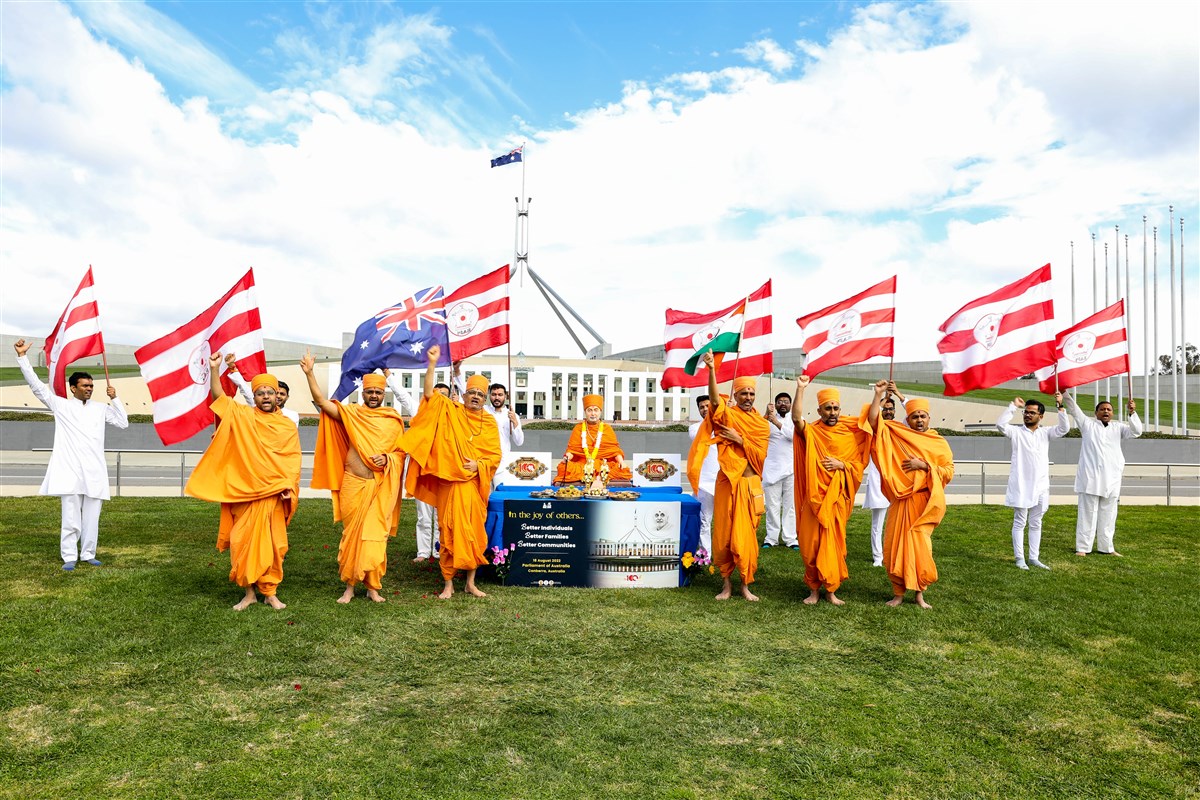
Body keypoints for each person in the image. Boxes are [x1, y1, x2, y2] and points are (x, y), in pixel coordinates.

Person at [186, 353, 301, 611]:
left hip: (273, 495)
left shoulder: (286, 426)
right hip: (245, 493)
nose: (266, 397)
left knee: (274, 546)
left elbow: (292, 461)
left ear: (277, 395)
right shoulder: (243, 416)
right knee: (241, 543)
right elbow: (220, 399)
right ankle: (249, 592)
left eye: (270, 392)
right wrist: (215, 370)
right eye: (260, 393)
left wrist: (288, 487)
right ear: (255, 397)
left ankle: (270, 592)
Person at [13, 338, 128, 570]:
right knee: (70, 517)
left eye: (91, 386)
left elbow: (123, 422)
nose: (89, 389)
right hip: (70, 470)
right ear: (73, 388)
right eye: (85, 385)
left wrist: (115, 399)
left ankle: (88, 554)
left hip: (94, 470)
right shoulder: (61, 406)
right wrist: (22, 358)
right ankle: (69, 557)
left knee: (92, 517)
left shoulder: (100, 408)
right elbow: (37, 388)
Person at [305, 357, 406, 603]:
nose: (373, 395)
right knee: (351, 535)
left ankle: (373, 587)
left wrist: (388, 458)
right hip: (353, 484)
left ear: (384, 394)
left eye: (378, 392)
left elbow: (401, 453)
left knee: (374, 537)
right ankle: (349, 586)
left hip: (380, 486)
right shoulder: (351, 414)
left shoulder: (393, 419)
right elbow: (321, 403)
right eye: (369, 391)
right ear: (362, 392)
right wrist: (309, 373)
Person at [405, 345, 501, 599]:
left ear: (486, 398)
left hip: (473, 486)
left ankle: (470, 583)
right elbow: (428, 395)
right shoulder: (451, 410)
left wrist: (479, 465)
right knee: (447, 531)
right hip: (449, 483)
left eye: (481, 394)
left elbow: (495, 456)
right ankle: (448, 583)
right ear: (464, 394)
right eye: (471, 392)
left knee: (473, 534)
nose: (476, 397)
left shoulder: (490, 422)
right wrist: (433, 363)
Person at [867, 381, 954, 609]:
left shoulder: (938, 442)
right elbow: (874, 422)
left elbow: (948, 471)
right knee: (895, 546)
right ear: (909, 419)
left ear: (929, 418)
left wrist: (924, 466)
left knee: (920, 548)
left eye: (922, 416)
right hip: (901, 499)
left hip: (923, 503)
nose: (919, 420)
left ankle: (918, 594)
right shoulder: (898, 433)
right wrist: (878, 395)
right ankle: (897, 593)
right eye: (914, 416)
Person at [692, 352, 769, 601]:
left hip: (749, 484)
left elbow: (760, 455)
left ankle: (746, 584)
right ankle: (726, 585)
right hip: (726, 482)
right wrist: (712, 369)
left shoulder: (761, 424)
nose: (747, 397)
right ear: (735, 395)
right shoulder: (728, 415)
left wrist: (740, 439)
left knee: (746, 537)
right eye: (743, 393)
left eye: (751, 393)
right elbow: (714, 401)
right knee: (723, 534)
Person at [792, 380, 871, 605]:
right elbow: (797, 419)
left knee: (834, 545)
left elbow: (858, 464)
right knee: (810, 547)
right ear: (819, 411)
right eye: (828, 408)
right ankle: (813, 590)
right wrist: (800, 389)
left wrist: (842, 465)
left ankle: (831, 590)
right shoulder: (813, 432)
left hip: (836, 500)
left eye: (835, 407)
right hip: (813, 499)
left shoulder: (849, 432)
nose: (833, 412)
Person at [1064, 393, 1141, 557]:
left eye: (1109, 409)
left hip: (1112, 478)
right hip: (1090, 478)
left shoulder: (1119, 428)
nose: (1106, 411)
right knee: (1087, 514)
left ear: (1112, 413)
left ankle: (1107, 547)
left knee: (1109, 514)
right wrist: (1064, 393)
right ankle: (1083, 548)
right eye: (1102, 409)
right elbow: (1074, 409)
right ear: (1096, 412)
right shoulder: (1087, 425)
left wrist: (1132, 413)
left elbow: (1137, 431)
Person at [997, 394, 1069, 570]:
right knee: (1020, 521)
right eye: (1026, 412)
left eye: (1032, 413)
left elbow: (1064, 428)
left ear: (1041, 416)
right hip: (1021, 484)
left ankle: (1034, 557)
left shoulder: (1045, 433)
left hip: (1041, 485)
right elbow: (1000, 425)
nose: (1028, 415)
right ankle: (1019, 558)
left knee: (1036, 522)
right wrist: (1013, 406)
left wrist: (1060, 407)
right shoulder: (1016, 432)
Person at [861, 388, 905, 567]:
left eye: (890, 409)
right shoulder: (874, 426)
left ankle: (894, 553)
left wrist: (899, 394)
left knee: (898, 522)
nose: (888, 411)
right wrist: (882, 399)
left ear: (894, 411)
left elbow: (913, 412)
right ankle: (878, 557)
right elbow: (871, 415)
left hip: (896, 480)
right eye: (885, 409)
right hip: (878, 479)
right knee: (877, 524)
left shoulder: (901, 427)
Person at [554, 393, 632, 485]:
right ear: (585, 412)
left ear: (600, 412)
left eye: (596, 410)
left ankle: (596, 476)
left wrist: (621, 462)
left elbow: (615, 450)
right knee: (562, 468)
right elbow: (572, 450)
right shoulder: (578, 428)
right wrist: (567, 458)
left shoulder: (607, 428)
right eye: (589, 410)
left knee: (623, 469)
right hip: (582, 464)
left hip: (603, 465)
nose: (593, 413)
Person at [761, 391, 798, 549]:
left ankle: (790, 539)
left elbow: (795, 436)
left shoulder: (797, 419)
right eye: (779, 401)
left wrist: (776, 422)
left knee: (790, 507)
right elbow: (758, 432)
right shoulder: (767, 420)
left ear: (791, 405)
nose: (783, 403)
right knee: (772, 507)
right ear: (775, 405)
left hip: (791, 470)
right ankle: (771, 538)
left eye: (786, 401)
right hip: (771, 471)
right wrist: (766, 415)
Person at [224, 352, 299, 426]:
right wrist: (232, 367)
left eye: (282, 394)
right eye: (276, 393)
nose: (278, 396)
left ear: (287, 397)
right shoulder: (258, 407)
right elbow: (245, 389)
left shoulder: (292, 416)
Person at [686, 394, 718, 553]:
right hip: (703, 483)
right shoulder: (695, 428)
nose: (705, 409)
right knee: (704, 520)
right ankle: (705, 555)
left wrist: (729, 413)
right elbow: (702, 436)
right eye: (702, 407)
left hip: (724, 481)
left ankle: (725, 557)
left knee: (727, 522)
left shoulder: (725, 424)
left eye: (708, 406)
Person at [487, 382, 525, 486]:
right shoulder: (484, 411)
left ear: (506, 396)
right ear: (489, 395)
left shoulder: (511, 415)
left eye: (500, 395)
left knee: (500, 497)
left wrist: (514, 421)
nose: (496, 398)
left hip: (502, 464)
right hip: (485, 462)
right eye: (494, 394)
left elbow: (519, 442)